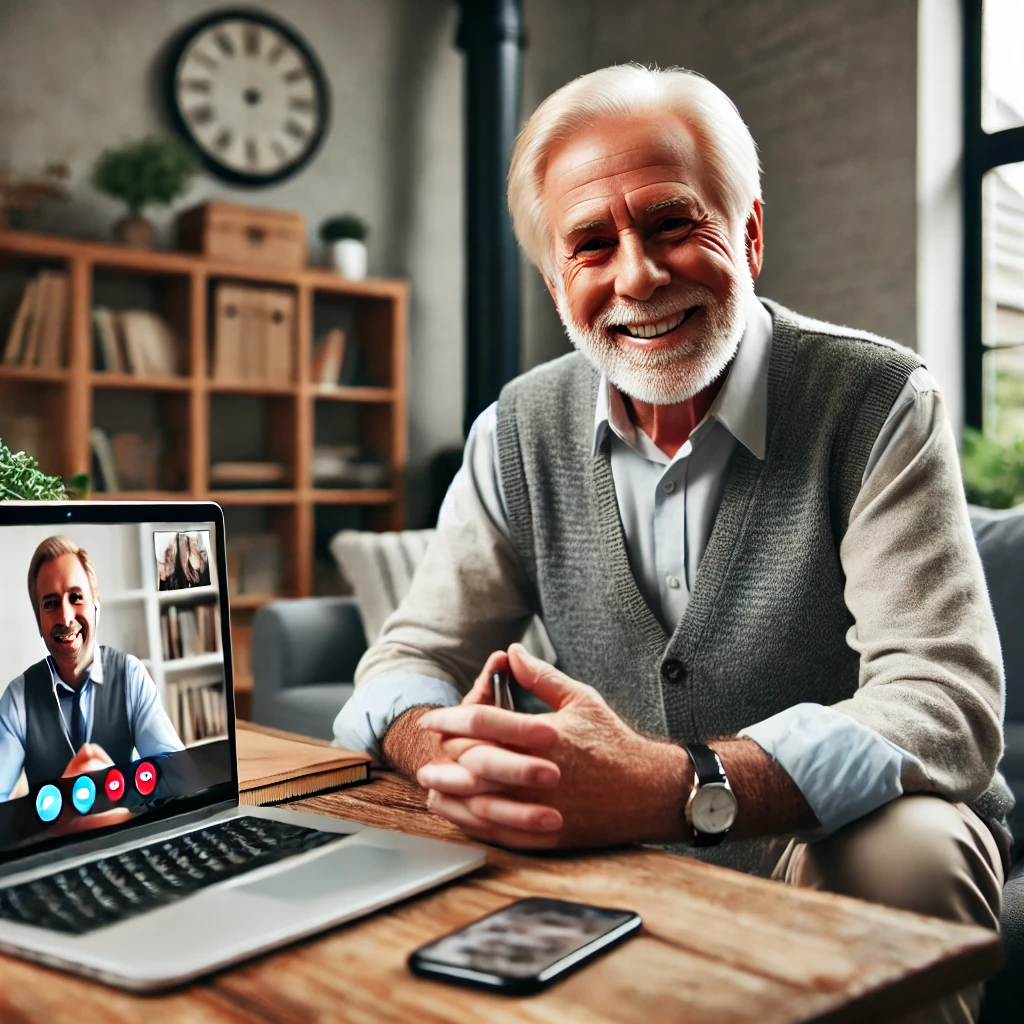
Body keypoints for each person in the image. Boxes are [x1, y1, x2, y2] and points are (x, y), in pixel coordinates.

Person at [334, 66, 1010, 1022]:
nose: (638, 276)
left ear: (750, 233)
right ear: (555, 278)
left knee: (906, 849)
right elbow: (409, 657)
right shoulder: (516, 430)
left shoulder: (877, 399)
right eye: (591, 243)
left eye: (670, 224)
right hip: (605, 841)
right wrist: (445, 748)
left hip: (826, 831)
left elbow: (944, 701)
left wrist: (671, 785)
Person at [0, 535, 184, 802]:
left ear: (96, 602)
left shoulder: (129, 675)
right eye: (50, 604)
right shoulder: (18, 699)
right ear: (39, 621)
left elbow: (178, 778)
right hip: (53, 842)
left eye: (76, 597)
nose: (65, 617)